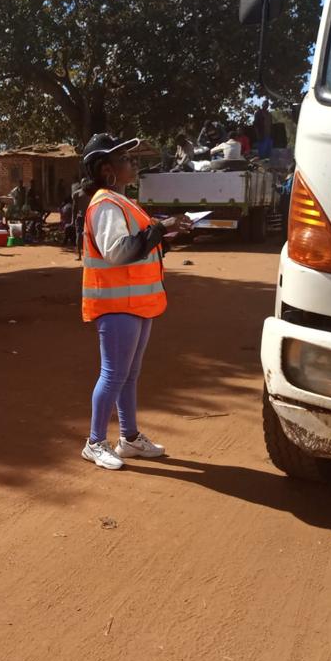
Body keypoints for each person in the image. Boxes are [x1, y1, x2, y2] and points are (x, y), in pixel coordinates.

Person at [78, 133, 193, 470]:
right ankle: (94, 443)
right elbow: (118, 252)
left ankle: (128, 438)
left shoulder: (121, 202)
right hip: (117, 305)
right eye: (125, 159)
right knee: (114, 375)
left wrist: (165, 235)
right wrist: (160, 229)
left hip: (135, 303)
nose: (133, 163)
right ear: (107, 169)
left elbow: (138, 246)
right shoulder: (106, 204)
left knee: (128, 375)